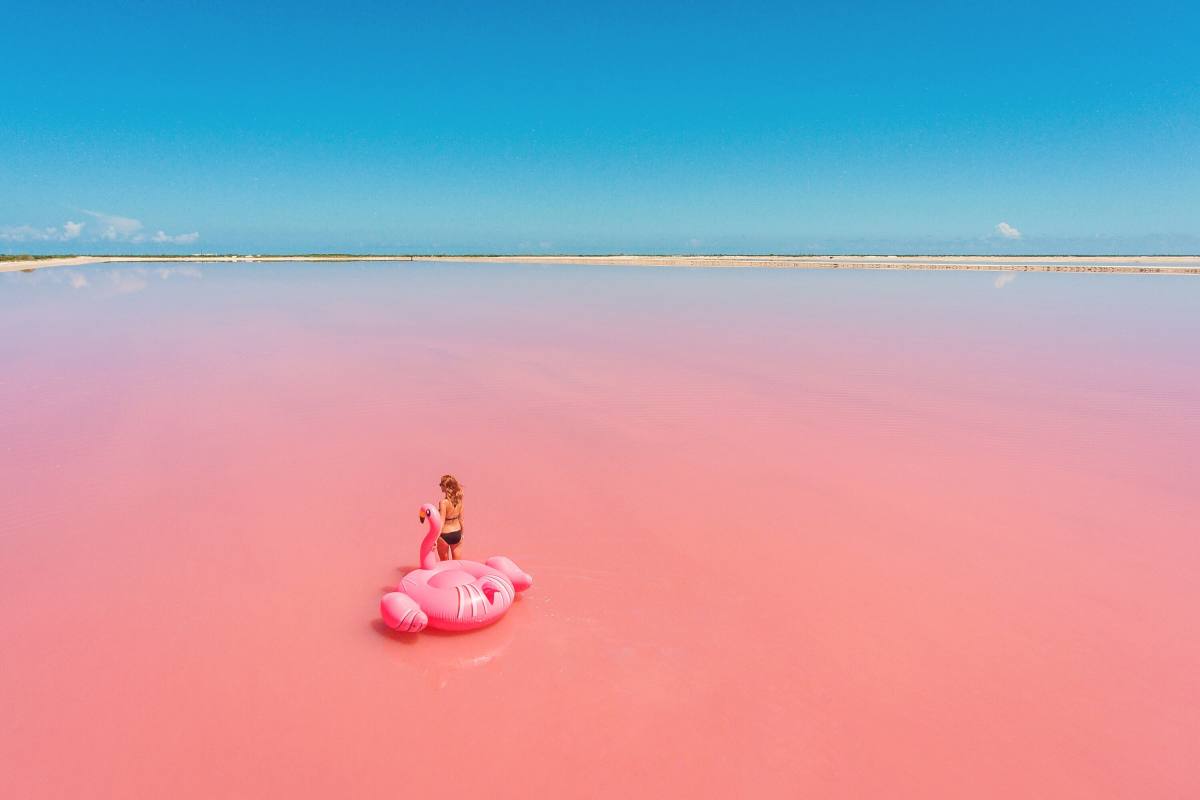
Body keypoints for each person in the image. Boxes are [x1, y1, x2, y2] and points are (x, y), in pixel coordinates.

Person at [436, 474, 464, 561]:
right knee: (457, 563)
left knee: (444, 564)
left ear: (445, 487)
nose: (440, 486)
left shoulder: (443, 503)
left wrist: (435, 538)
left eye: (441, 484)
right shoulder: (459, 500)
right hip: (457, 533)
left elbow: (441, 521)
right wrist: (462, 534)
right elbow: (461, 519)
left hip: (444, 534)